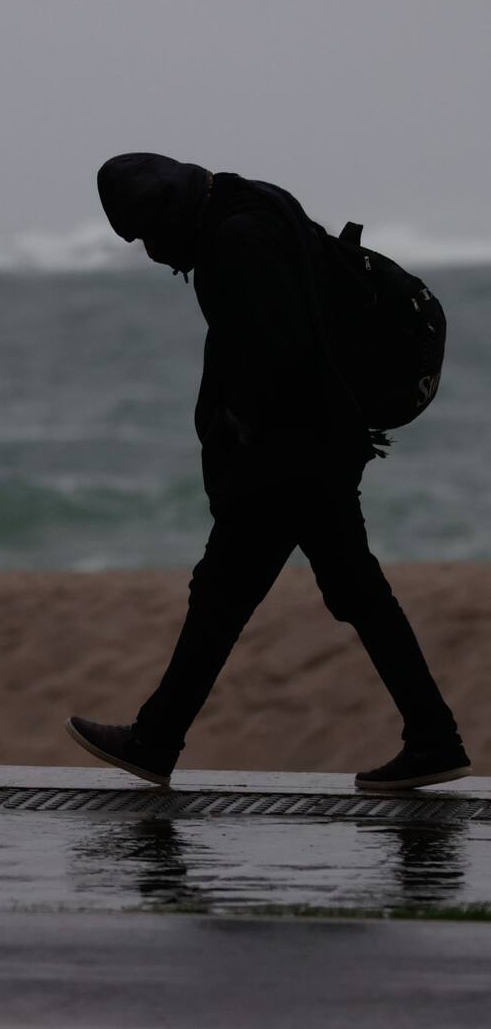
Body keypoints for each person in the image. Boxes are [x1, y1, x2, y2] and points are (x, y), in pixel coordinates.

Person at [66, 153, 470, 792]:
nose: (152, 251)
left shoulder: (233, 241)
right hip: (323, 440)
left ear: (165, 211)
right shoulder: (251, 202)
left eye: (146, 233)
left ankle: (157, 739)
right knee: (337, 592)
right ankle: (432, 737)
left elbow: (275, 354)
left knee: (229, 594)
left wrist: (239, 436)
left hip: (294, 452)